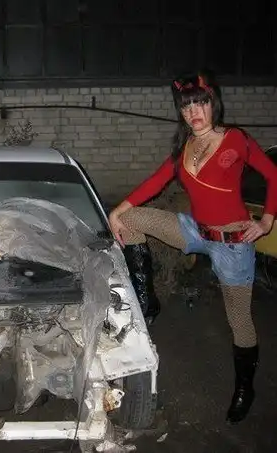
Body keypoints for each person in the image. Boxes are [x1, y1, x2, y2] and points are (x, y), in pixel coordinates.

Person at [108, 71, 277, 424]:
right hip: (194, 231)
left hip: (232, 243)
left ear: (213, 103)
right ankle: (146, 300)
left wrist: (266, 221)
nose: (194, 112)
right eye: (186, 107)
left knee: (239, 320)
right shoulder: (184, 146)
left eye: (200, 103)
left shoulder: (235, 139)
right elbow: (156, 181)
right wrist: (118, 211)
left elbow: (273, 174)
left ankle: (245, 388)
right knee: (132, 218)